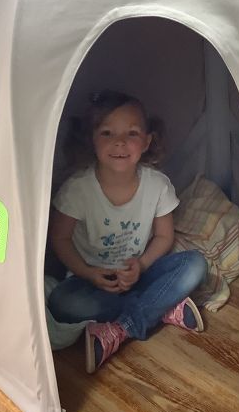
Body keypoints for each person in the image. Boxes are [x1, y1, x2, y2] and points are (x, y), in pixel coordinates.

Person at [48, 90, 207, 373]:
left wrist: (142, 264)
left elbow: (164, 236)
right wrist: (89, 273)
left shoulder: (157, 185)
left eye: (131, 133)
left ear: (147, 141)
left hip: (140, 273)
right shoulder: (77, 190)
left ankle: (122, 327)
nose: (120, 142)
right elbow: (59, 239)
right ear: (92, 139)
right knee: (63, 303)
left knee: (195, 264)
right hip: (92, 282)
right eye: (107, 133)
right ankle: (159, 308)